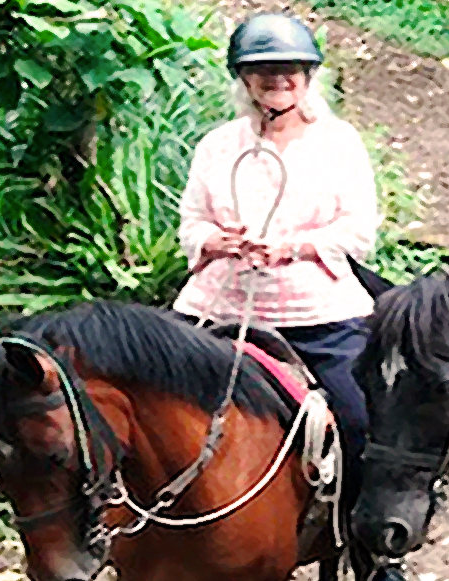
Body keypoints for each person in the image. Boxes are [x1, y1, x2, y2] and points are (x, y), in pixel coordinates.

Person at [170, 11, 378, 544]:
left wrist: (296, 248)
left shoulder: (339, 142)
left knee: (360, 420)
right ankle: (149, 527)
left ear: (308, 77)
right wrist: (216, 241)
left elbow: (359, 230)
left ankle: (369, 540)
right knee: (152, 409)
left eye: (290, 70)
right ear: (243, 79)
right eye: (263, 71)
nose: (277, 79)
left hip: (317, 313)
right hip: (218, 307)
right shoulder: (218, 145)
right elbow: (190, 221)